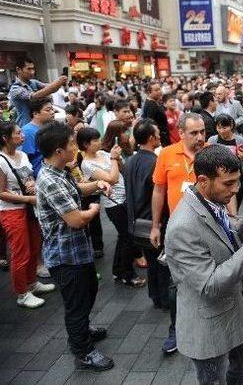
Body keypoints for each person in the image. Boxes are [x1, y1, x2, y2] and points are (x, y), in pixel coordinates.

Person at [165, 145, 243, 385]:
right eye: (228, 183)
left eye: (238, 181)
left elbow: (222, 234)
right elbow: (209, 286)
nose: (235, 189)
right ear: (203, 181)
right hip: (208, 326)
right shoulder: (182, 227)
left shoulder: (210, 201)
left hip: (232, 312)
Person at [36, 121, 114, 371]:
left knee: (88, 292)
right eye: (72, 145)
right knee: (76, 305)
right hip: (65, 257)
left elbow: (76, 188)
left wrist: (97, 185)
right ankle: (83, 351)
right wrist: (93, 209)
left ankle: (82, 331)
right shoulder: (49, 180)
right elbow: (76, 219)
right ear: (59, 151)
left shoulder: (60, 172)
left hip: (78, 252)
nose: (75, 149)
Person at [150, 112, 207, 354]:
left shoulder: (210, 154)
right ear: (181, 133)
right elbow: (159, 192)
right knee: (175, 285)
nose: (200, 137)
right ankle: (176, 330)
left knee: (208, 281)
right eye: (194, 133)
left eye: (202, 131)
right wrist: (155, 225)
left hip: (208, 229)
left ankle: (206, 327)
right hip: (177, 232)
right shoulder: (166, 154)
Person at [77, 127, 145, 288]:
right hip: (113, 203)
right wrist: (114, 159)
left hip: (125, 198)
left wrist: (117, 159)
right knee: (127, 237)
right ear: (86, 144)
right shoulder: (87, 164)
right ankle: (128, 275)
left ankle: (118, 270)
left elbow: (122, 169)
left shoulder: (104, 154)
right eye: (95, 140)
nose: (98, 142)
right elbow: (112, 179)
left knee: (124, 237)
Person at [0, 121, 54, 308]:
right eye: (17, 133)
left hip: (29, 208)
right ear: (5, 138)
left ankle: (32, 282)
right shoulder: (1, 160)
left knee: (33, 246)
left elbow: (28, 177)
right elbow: (1, 192)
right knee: (20, 251)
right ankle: (22, 293)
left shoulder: (22, 155)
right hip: (11, 211)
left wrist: (32, 185)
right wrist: (28, 199)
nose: (22, 135)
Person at [124, 119, 171, 311]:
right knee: (163, 263)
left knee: (153, 262)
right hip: (154, 223)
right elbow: (159, 195)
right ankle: (165, 298)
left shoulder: (129, 162)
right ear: (152, 138)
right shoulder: (156, 163)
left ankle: (155, 295)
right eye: (158, 133)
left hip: (136, 223)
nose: (160, 136)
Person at [208, 113, 243, 215]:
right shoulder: (212, 140)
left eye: (224, 127)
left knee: (234, 210)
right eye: (219, 127)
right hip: (219, 180)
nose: (221, 131)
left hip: (237, 181)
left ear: (231, 126)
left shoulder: (240, 140)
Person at [8, 57, 67, 127]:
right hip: (26, 125)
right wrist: (57, 83)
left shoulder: (34, 82)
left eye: (33, 69)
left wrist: (59, 83)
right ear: (18, 69)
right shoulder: (15, 89)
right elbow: (34, 96)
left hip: (40, 124)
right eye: (29, 69)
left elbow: (51, 88)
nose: (32, 72)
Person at [22, 97, 55, 178]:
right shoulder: (27, 132)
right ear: (35, 113)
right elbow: (24, 160)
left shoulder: (49, 127)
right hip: (41, 177)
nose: (52, 112)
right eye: (48, 110)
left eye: (52, 109)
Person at [143, 82, 170, 146]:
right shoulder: (151, 105)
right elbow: (150, 123)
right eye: (156, 90)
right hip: (159, 137)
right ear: (149, 92)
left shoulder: (154, 102)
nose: (159, 92)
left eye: (159, 89)